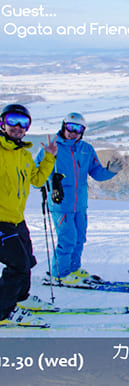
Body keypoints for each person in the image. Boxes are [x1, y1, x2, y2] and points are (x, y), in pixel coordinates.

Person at [35, 112, 123, 284]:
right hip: (60, 202)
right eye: (70, 127)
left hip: (80, 204)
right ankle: (60, 274)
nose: (73, 132)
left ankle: (73, 269)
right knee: (67, 239)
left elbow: (96, 173)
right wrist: (50, 182)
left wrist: (110, 171)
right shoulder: (52, 147)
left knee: (79, 238)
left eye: (78, 129)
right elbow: (37, 173)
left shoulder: (86, 149)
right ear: (63, 126)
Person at [0, 104, 57, 326]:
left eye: (23, 122)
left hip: (16, 219)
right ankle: (3, 312)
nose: (17, 126)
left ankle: (20, 299)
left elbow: (37, 180)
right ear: (2, 122)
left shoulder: (24, 155)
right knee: (17, 265)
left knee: (27, 260)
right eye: (12, 120)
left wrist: (49, 157)